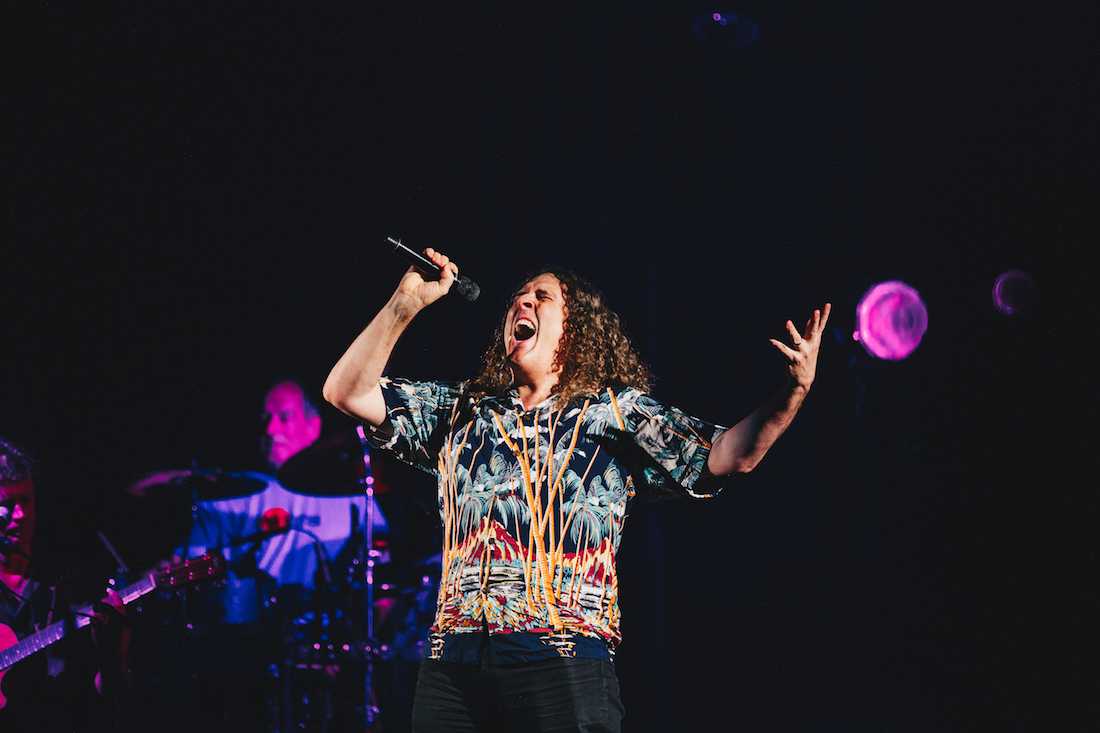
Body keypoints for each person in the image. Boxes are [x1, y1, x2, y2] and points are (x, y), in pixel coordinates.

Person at [322, 249, 831, 732]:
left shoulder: (615, 414)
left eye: (541, 298)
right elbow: (345, 391)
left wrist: (793, 391)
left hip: (560, 664)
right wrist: (404, 304)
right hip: (452, 666)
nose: (523, 303)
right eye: (519, 297)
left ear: (576, 331)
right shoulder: (462, 412)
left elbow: (728, 455)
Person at [0, 436, 132, 732]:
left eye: (26, 500)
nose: (20, 515)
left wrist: (113, 657)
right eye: (7, 505)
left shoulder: (67, 580)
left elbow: (108, 702)